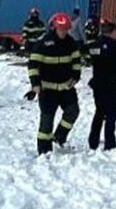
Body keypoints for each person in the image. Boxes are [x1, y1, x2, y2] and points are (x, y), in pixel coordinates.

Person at [28, 13, 83, 155]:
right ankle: (44, 152)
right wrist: (35, 83)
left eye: (66, 29)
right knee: (47, 121)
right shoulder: (43, 43)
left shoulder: (71, 43)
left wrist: (75, 77)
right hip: (47, 90)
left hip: (66, 88)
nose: (64, 32)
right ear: (54, 27)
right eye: (61, 29)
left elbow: (76, 62)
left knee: (73, 112)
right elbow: (33, 64)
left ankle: (59, 136)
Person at [87, 20, 116, 150]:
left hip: (97, 83)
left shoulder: (93, 45)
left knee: (99, 112)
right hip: (110, 84)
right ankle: (110, 141)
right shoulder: (114, 46)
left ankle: (93, 140)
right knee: (111, 114)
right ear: (110, 33)